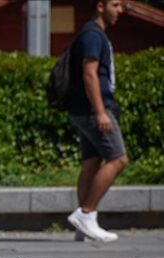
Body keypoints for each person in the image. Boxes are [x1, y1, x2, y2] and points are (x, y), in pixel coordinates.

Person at [66, 0, 128, 242]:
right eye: (115, 4)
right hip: (94, 110)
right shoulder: (93, 35)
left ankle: (83, 226)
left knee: (91, 163)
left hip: (83, 110)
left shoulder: (90, 33)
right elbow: (89, 73)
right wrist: (101, 111)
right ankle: (86, 213)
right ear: (100, 6)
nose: (120, 10)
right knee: (118, 158)